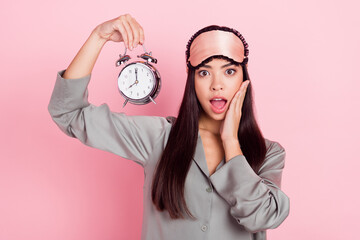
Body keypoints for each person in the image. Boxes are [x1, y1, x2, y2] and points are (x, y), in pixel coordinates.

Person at [48, 14, 290, 240]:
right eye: (204, 72)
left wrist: (231, 143)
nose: (217, 85)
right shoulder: (158, 138)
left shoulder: (268, 153)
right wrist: (98, 36)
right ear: (191, 78)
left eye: (229, 71)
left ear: (243, 77)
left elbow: (264, 216)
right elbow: (69, 113)